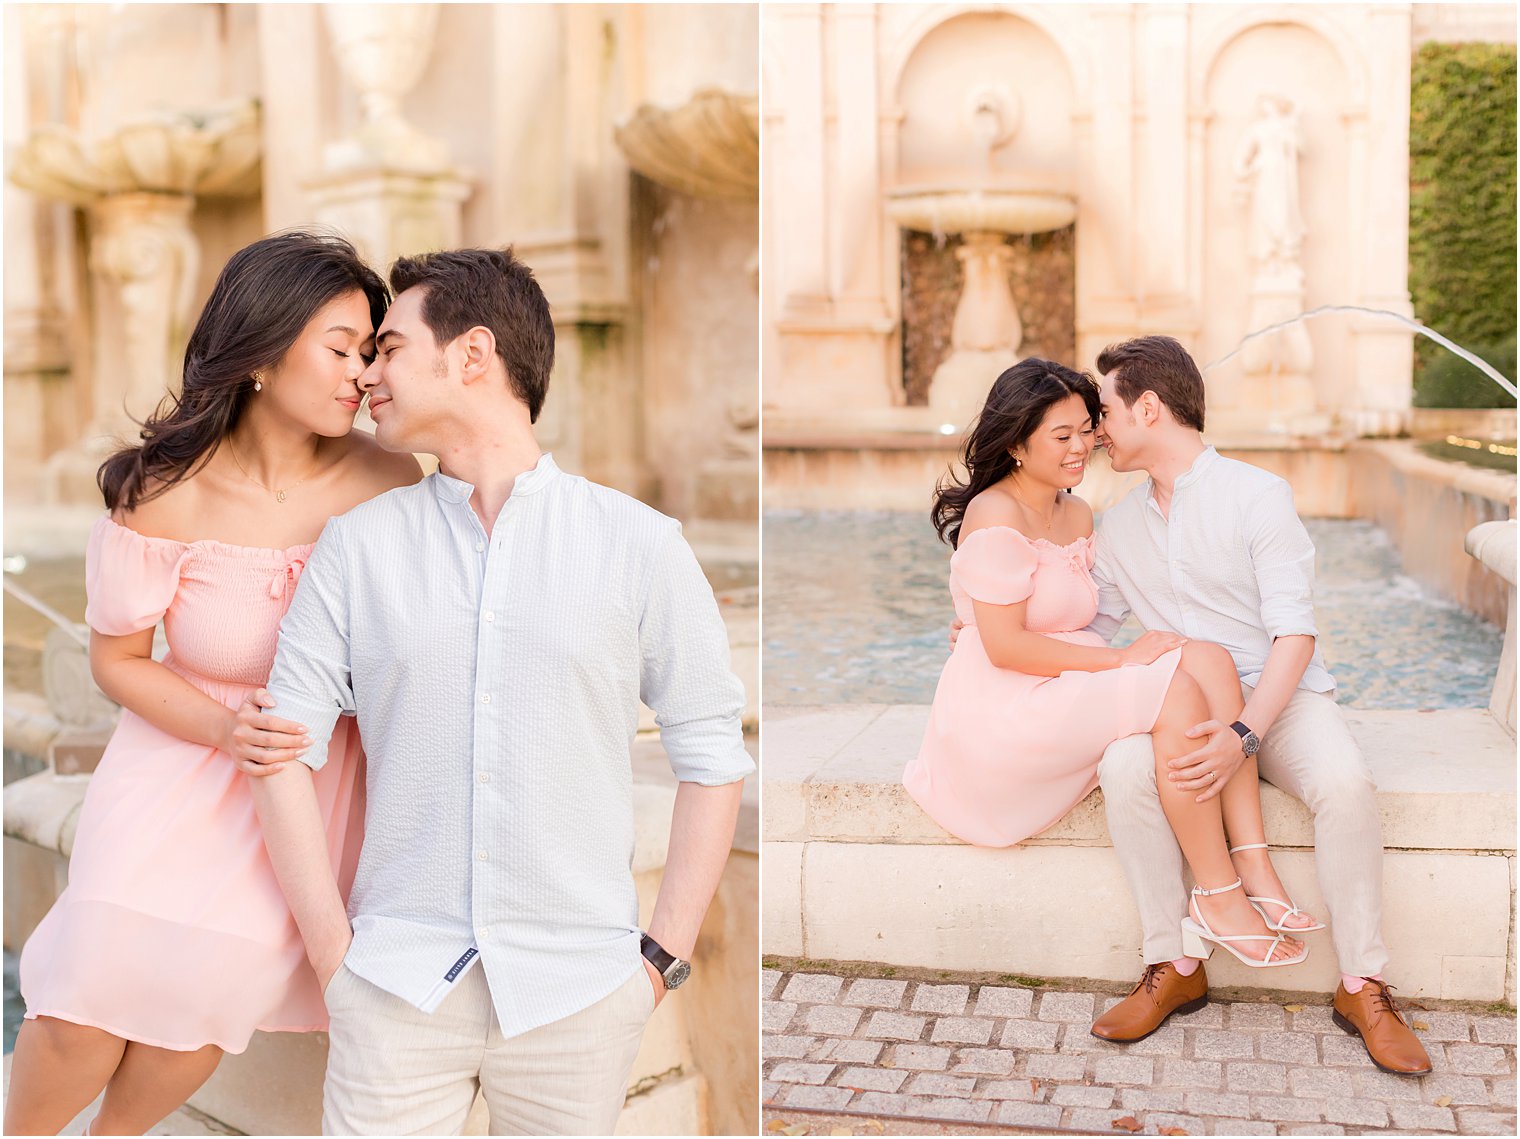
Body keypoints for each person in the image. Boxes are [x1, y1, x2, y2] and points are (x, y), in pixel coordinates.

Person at [233, 246, 754, 1135]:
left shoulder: (640, 544)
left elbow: (712, 756)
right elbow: (282, 752)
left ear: (473, 355)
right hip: (394, 986)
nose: (367, 375)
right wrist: (338, 965)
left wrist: (655, 965)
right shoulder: (356, 548)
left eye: (389, 348)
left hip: (580, 995)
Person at [7, 231, 422, 1137]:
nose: (362, 374)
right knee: (82, 1006)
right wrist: (225, 730)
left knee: (205, 998)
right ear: (266, 352)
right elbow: (117, 661)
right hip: (178, 766)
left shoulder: (389, 480)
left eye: (372, 351)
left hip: (302, 781)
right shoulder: (164, 489)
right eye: (342, 347)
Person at [1084, 335, 1430, 1076]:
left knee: (1344, 784)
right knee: (1122, 763)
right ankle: (1173, 962)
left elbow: (1295, 633)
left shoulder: (1256, 493)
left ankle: (1362, 984)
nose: (1095, 427)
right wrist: (993, 629)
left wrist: (1245, 729)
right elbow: (1091, 629)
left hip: (1280, 699)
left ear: (1149, 406)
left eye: (1105, 409)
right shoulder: (1114, 527)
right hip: (1181, 709)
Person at [909, 358, 1309, 976]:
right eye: (1060, 436)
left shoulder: (1076, 512)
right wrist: (1124, 659)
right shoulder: (995, 514)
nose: (1082, 447)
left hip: (1062, 675)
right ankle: (1218, 896)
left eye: (1086, 428)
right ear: (1016, 444)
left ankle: (1254, 857)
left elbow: (1072, 613)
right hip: (1008, 704)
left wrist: (1123, 654)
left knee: (1208, 658)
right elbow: (1006, 647)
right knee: (1175, 694)